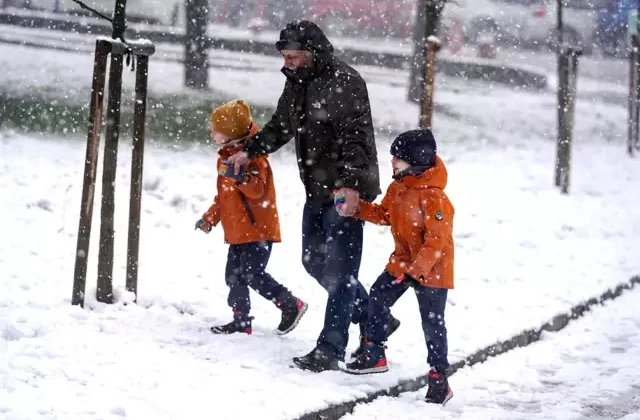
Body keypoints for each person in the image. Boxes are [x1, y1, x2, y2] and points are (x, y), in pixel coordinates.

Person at [227, 20, 400, 372]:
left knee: (341, 272)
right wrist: (250, 152)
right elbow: (281, 126)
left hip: (344, 191)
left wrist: (350, 186)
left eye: (293, 57)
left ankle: (330, 349)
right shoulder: (297, 83)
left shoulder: (344, 82)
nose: (287, 64)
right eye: (285, 57)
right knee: (313, 261)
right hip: (317, 188)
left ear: (312, 54)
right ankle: (371, 315)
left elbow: (356, 138)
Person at [339, 128, 455, 406]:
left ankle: (439, 379)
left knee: (432, 324)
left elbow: (436, 242)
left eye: (398, 158)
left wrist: (418, 272)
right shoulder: (399, 188)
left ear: (417, 161)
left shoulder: (435, 198)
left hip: (433, 270)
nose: (392, 161)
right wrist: (356, 208)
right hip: (403, 263)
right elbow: (384, 215)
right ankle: (374, 352)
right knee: (378, 295)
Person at [195, 99, 308, 336]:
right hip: (238, 231)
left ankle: (290, 303)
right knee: (233, 276)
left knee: (253, 274)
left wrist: (241, 177)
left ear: (231, 134)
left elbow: (257, 190)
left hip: (258, 230)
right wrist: (210, 219)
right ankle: (241, 320)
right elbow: (224, 197)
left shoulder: (254, 159)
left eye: (217, 130)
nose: (212, 133)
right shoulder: (225, 158)